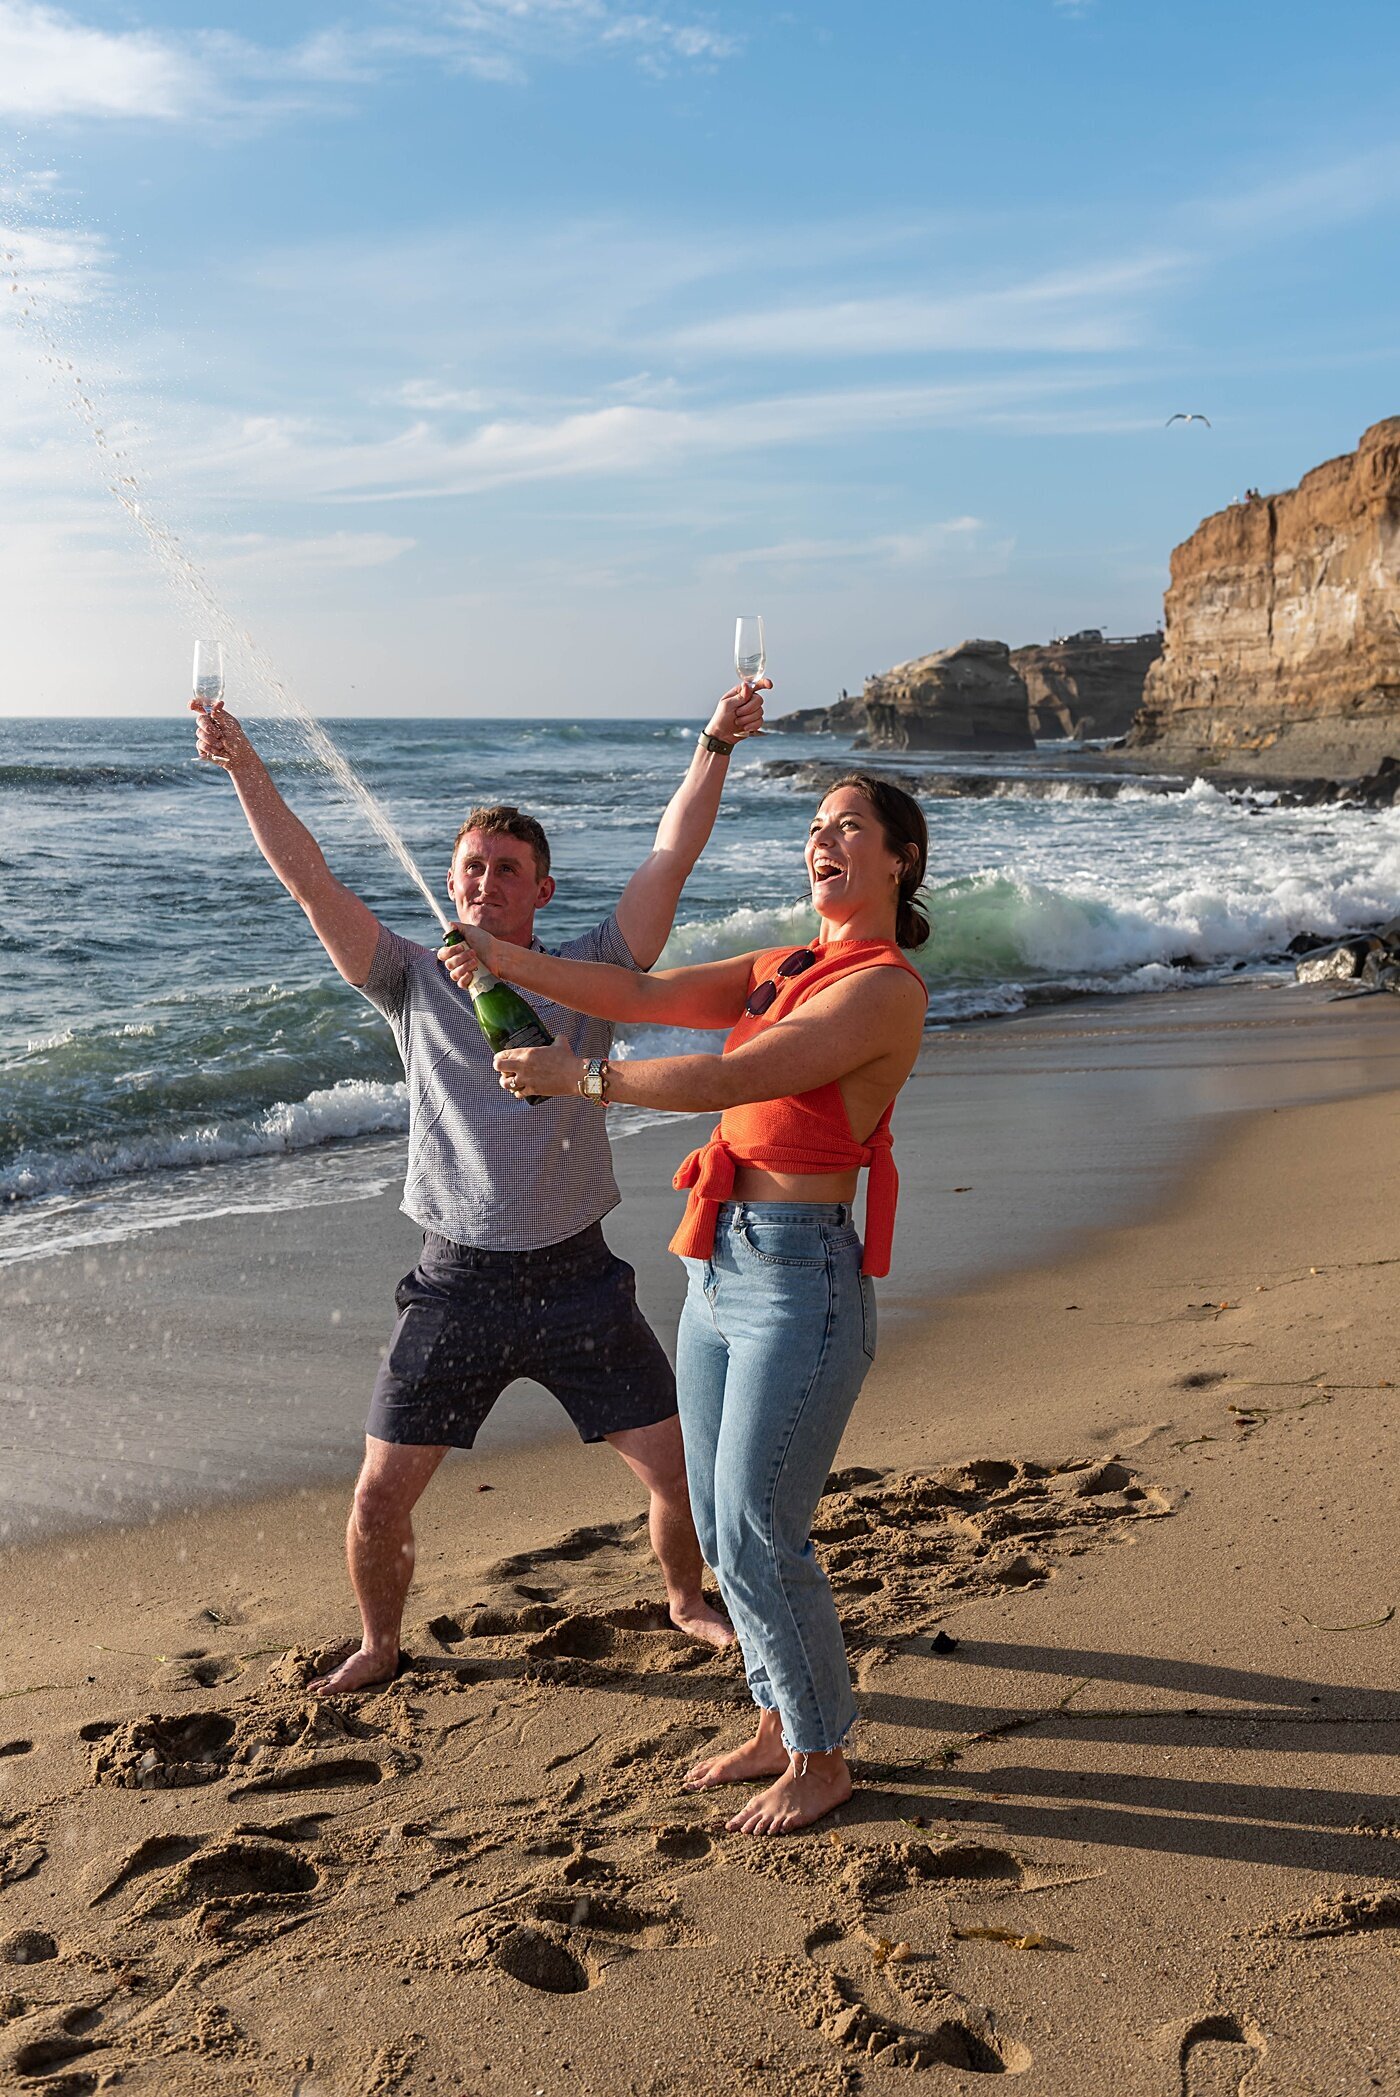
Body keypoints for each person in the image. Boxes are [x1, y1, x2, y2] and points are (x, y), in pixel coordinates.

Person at [191, 681, 767, 1694]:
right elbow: (308, 879)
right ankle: (378, 1641)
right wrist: (245, 766)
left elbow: (670, 854)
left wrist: (714, 740)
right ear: (452, 886)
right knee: (378, 1497)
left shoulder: (595, 969)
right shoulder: (409, 977)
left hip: (579, 1282)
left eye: (508, 870)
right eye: (472, 868)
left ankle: (683, 1598)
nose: (486, 883)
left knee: (676, 1472)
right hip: (454, 1283)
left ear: (541, 891)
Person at [439, 774, 930, 1834]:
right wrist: (503, 961)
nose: (821, 842)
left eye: (847, 826)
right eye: (813, 829)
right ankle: (775, 1718)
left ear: (897, 859)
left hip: (801, 1278)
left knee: (759, 1528)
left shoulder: (883, 988)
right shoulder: (779, 966)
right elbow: (636, 994)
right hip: (719, 1266)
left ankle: (821, 1753)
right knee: (714, 1522)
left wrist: (582, 1083)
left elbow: (726, 1084)